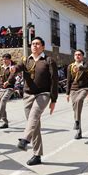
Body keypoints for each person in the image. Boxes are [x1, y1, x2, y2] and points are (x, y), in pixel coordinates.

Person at [16, 37, 58, 166]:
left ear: (43, 47)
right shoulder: (26, 60)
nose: (35, 46)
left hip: (43, 94)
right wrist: (13, 70)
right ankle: (37, 155)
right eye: (33, 44)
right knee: (34, 125)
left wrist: (53, 100)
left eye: (38, 44)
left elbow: (54, 81)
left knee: (34, 116)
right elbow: (18, 67)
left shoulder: (48, 60)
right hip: (28, 95)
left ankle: (24, 140)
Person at [66, 49, 88, 140]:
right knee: (75, 109)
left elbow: (86, 68)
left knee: (79, 100)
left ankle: (76, 121)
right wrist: (67, 93)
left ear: (82, 56)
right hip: (73, 90)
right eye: (76, 54)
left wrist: (79, 68)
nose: (77, 56)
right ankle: (79, 130)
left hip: (83, 88)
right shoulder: (70, 66)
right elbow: (68, 80)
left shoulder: (85, 64)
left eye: (79, 54)